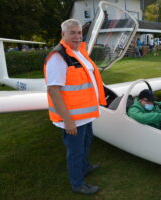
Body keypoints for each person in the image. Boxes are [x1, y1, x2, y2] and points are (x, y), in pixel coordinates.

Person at [44, 19, 107, 194]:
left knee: (87, 142)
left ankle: (85, 168)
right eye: (72, 32)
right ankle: (77, 183)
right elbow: (53, 91)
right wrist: (68, 120)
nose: (77, 36)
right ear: (63, 34)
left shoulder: (78, 52)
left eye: (79, 32)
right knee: (76, 151)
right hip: (73, 118)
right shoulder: (58, 57)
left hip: (86, 114)